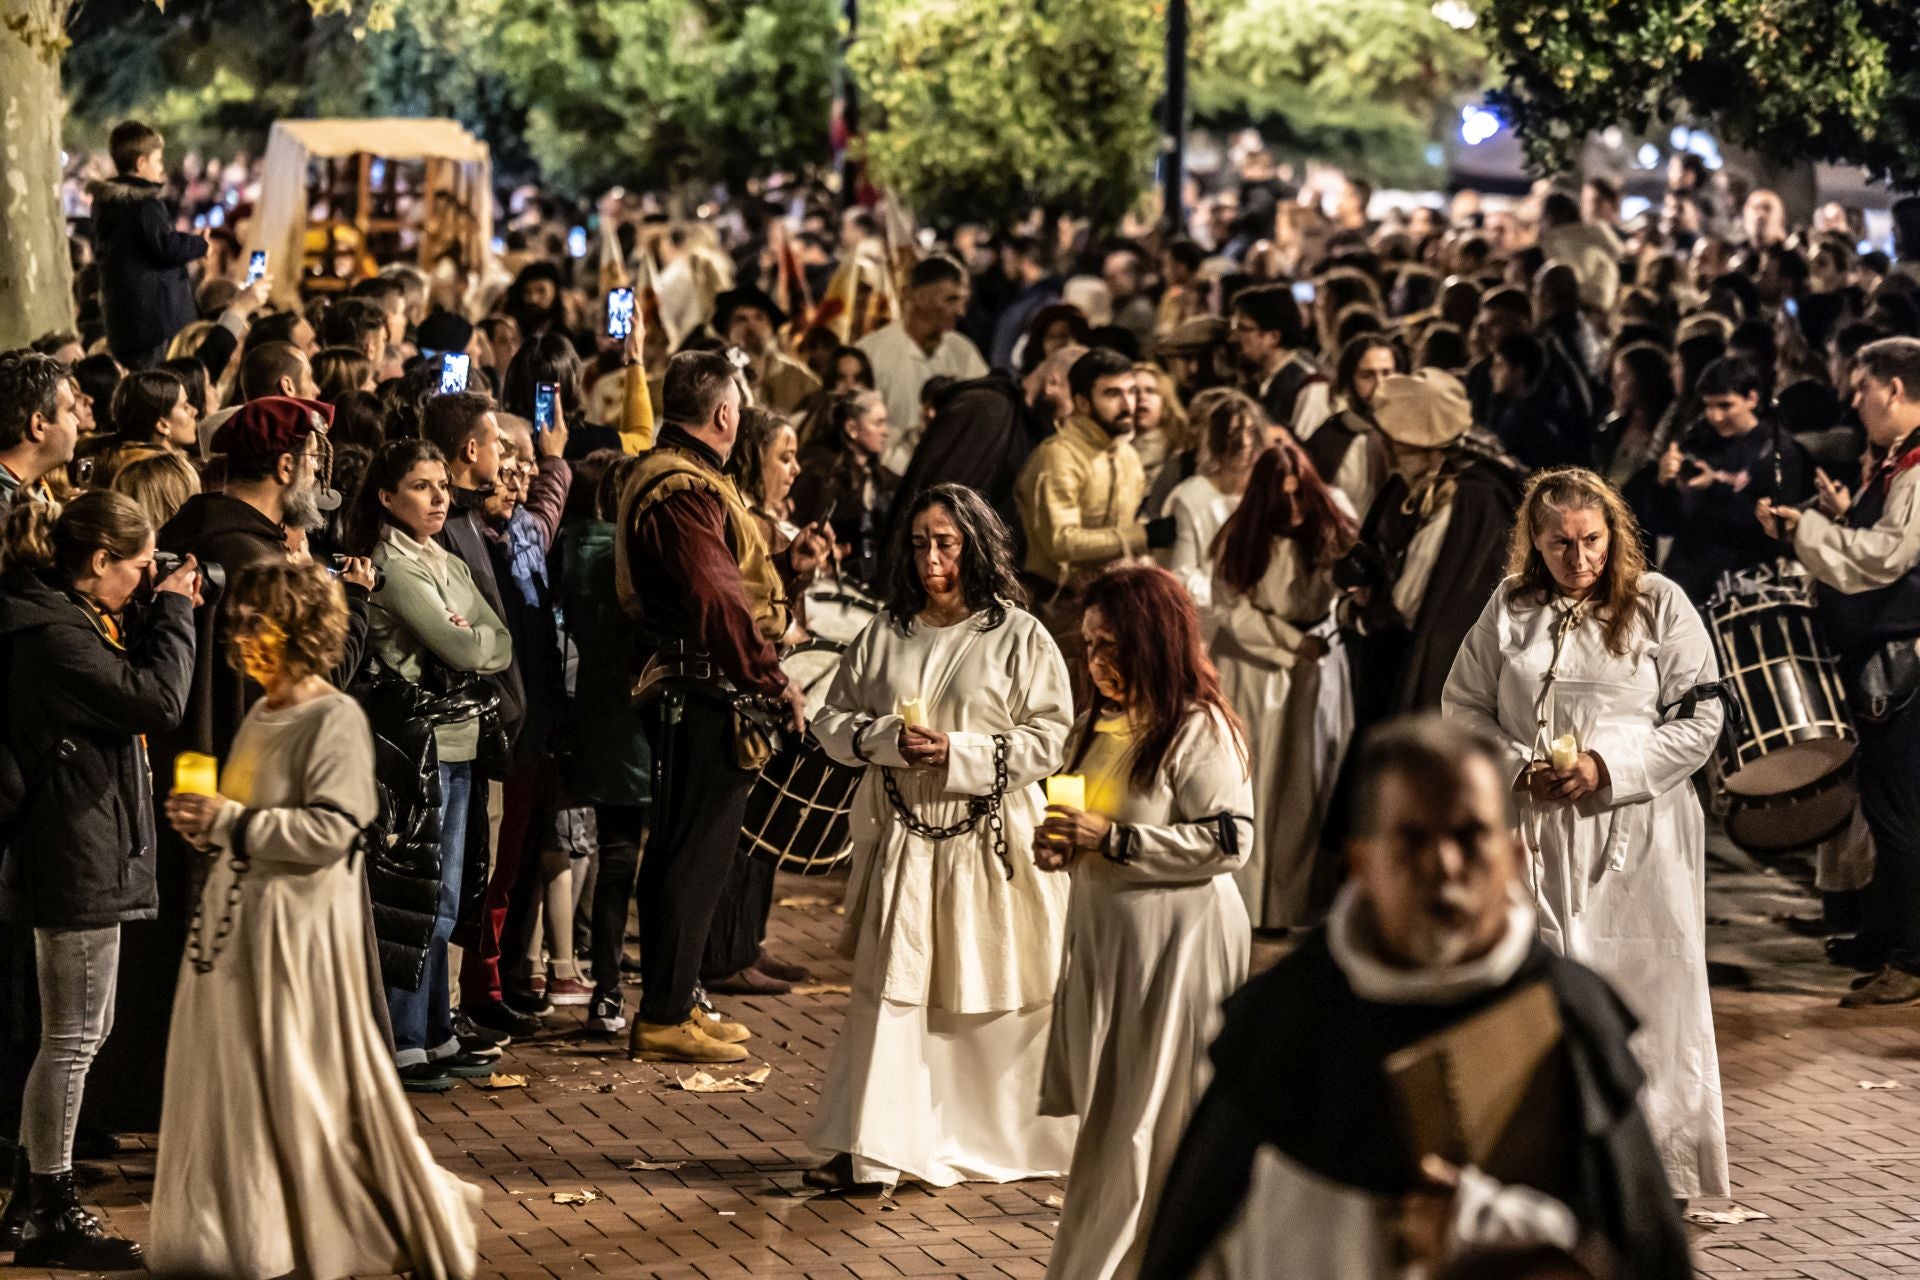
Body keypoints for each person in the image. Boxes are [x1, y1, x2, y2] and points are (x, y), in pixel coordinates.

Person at [1136, 715, 1692, 1280]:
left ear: (1515, 858)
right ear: (1361, 864)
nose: (1444, 864)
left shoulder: (1568, 1017)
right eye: (1413, 838)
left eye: (1470, 835)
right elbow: (1190, 1246)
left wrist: (1498, 1228)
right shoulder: (1288, 1018)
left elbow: (1642, 1258)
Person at [152, 561, 480, 1279]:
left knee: (294, 1090)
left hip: (293, 936)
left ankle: (307, 1232)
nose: (241, 637)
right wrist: (207, 825)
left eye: (256, 623)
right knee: (234, 1090)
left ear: (298, 632)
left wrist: (232, 823)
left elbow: (333, 830)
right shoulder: (263, 713)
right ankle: (238, 1233)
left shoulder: (331, 718)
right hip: (237, 929)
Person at [1443, 467, 1728, 1199]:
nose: (1579, 559)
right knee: (1534, 990)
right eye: (1561, 544)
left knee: (1642, 988)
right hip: (1534, 830)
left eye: (1592, 540)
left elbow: (1702, 719)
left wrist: (1609, 766)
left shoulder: (1659, 604)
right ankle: (1550, 1162)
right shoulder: (1509, 608)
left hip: (1634, 831)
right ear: (1535, 544)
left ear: (1614, 534)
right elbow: (1464, 706)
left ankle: (1649, 1167)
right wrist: (1516, 764)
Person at [807, 484, 1076, 1192]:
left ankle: (989, 1135)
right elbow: (829, 721)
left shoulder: (1018, 635)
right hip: (903, 834)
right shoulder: (884, 633)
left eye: (947, 542)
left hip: (988, 838)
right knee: (897, 987)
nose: (931, 556)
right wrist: (884, 740)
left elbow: (1049, 736)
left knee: (990, 981)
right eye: (921, 542)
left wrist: (957, 752)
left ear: (976, 546)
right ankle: (880, 1143)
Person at [1034, 565, 1254, 1280]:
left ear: (1154, 643)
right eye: (1091, 647)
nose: (1098, 665)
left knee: (1150, 1120)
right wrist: (1059, 846)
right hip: (1113, 947)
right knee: (1117, 1115)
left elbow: (1231, 839)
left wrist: (1121, 842)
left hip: (1180, 947)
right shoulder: (1092, 725)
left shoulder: (1196, 728)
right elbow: (1084, 823)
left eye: (1114, 648)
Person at [0, 492, 197, 1270]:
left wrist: (152, 612)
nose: (150, 575)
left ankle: (29, 1197)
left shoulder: (70, 620)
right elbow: (157, 698)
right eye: (141, 564)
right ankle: (48, 1205)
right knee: (73, 1038)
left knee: (82, 1033)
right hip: (72, 851)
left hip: (84, 844)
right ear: (98, 562)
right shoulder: (53, 637)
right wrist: (177, 615)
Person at [614, 350, 808, 1063]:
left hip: (701, 687)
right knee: (691, 859)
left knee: (685, 855)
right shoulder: (683, 488)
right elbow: (713, 596)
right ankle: (665, 1014)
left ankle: (679, 997)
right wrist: (770, 677)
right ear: (727, 414)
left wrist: (787, 573)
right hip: (703, 694)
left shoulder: (682, 477)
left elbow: (725, 583)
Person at [1759, 337, 1920, 1007]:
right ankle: (1883, 937)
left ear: (1893, 388)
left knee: (1900, 815)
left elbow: (1886, 558)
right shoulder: (1895, 462)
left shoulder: (1916, 467)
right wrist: (1836, 517)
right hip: (1884, 660)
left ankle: (1911, 960)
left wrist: (1807, 534)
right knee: (1881, 813)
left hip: (1904, 668)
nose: (1853, 402)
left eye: (1861, 387)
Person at [351, 439, 514, 1091]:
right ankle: (403, 1038)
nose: (440, 497)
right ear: (387, 497)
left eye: (443, 484)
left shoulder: (442, 558)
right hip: (417, 743)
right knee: (415, 896)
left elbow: (493, 637)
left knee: (450, 892)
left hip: (464, 738)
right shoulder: (392, 563)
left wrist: (470, 636)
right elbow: (459, 640)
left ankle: (437, 1030)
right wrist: (466, 635)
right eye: (421, 486)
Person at [1210, 439, 1358, 930]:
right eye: (1283, 499)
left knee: (1308, 787)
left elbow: (1344, 595)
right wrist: (1290, 643)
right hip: (1257, 672)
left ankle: (1296, 905)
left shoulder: (1327, 530)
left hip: (1315, 669)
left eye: (1299, 496)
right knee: (1260, 786)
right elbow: (1233, 611)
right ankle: (1250, 907)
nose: (1292, 509)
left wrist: (1319, 635)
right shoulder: (1242, 539)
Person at [1341, 370, 1523, 719]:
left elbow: (1408, 601)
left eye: (1387, 437)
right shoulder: (1411, 485)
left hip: (1426, 664)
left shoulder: (1465, 498)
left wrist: (1359, 613)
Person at [557, 456, 651, 1037]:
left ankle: (607, 992)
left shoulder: (573, 551)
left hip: (598, 720)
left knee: (614, 858)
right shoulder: (632, 561)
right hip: (643, 721)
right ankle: (673, 987)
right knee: (655, 862)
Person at [1016, 349, 1171, 657]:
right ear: (1083, 402)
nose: (1128, 404)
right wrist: (1143, 536)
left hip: (1112, 610)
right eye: (1113, 394)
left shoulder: (1127, 457)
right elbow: (1061, 542)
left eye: (1131, 392)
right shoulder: (1058, 456)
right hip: (1055, 611)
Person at [1642, 356, 1814, 604]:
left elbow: (1774, 528)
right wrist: (1663, 484)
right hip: (1688, 586)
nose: (1716, 417)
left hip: (1746, 591)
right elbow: (1662, 523)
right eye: (1709, 407)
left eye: (1726, 406)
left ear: (1752, 399)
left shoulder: (1778, 451)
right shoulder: (1698, 443)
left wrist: (1715, 488)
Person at [88, 121, 209, 367]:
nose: (161, 168)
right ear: (141, 163)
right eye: (158, 160)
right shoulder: (144, 205)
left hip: (125, 324)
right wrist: (200, 244)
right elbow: (165, 246)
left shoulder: (106, 205)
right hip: (155, 325)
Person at [858, 256, 989, 471]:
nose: (961, 312)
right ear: (917, 297)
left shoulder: (963, 352)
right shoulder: (872, 353)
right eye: (950, 300)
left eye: (963, 301)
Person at [1159, 391, 1265, 613]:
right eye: (1234, 433)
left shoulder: (1269, 492)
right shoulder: (1191, 496)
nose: (1244, 442)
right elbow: (1183, 573)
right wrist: (1232, 604)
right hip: (1214, 616)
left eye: (1251, 432)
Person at [788, 389, 900, 588]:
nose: (886, 431)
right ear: (852, 428)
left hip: (861, 582)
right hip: (820, 579)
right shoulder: (823, 473)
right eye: (877, 423)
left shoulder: (882, 478)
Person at [1304, 334, 1397, 517]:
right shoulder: (1328, 438)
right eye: (1367, 375)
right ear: (1350, 379)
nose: (1380, 384)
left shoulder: (1410, 435)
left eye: (1387, 373)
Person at [1230, 284, 1325, 434]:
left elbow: (1308, 449)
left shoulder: (1308, 385)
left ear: (1273, 337)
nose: (1233, 338)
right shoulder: (1257, 382)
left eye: (1243, 329)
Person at [716, 285, 821, 417]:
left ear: (772, 330)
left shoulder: (803, 381)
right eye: (741, 319)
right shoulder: (716, 377)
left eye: (759, 317)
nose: (751, 325)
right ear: (727, 333)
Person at [0, 352, 80, 520]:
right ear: (39, 425)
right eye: (70, 411)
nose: (77, 421)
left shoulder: (32, 489)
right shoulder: (6, 514)